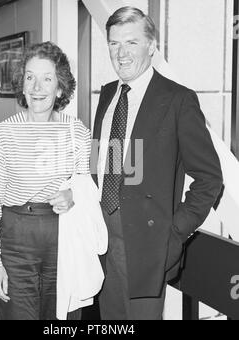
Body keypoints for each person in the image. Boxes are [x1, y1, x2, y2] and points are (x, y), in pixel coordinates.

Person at [91, 6, 223, 320]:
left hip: (147, 246)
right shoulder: (108, 94)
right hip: (100, 238)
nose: (120, 54)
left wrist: (174, 232)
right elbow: (112, 164)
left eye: (131, 43)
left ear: (151, 46)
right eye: (114, 44)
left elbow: (209, 179)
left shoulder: (178, 99)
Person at [0, 42, 96, 320]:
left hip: (64, 238)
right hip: (16, 241)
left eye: (47, 78)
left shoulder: (77, 132)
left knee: (61, 320)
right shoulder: (0, 136)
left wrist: (73, 196)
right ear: (22, 84)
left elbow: (86, 186)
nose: (37, 87)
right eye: (30, 77)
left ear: (60, 88)